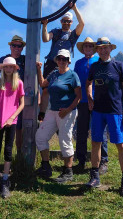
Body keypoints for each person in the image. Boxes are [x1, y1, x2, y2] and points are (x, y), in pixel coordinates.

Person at [85, 37, 123, 198]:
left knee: (121, 144)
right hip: (98, 110)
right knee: (96, 142)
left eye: (106, 48)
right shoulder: (95, 66)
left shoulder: (118, 66)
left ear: (110, 49)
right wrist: (90, 97)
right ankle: (94, 176)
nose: (104, 50)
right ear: (97, 51)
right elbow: (88, 82)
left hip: (115, 111)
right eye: (101, 48)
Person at [35, 49, 81, 183]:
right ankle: (45, 166)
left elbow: (79, 96)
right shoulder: (54, 74)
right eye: (59, 58)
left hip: (67, 112)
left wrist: (68, 109)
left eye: (64, 59)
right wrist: (39, 69)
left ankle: (68, 171)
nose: (61, 61)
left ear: (68, 61)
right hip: (53, 111)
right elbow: (43, 84)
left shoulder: (73, 75)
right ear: (56, 60)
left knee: (64, 139)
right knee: (40, 137)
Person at [40, 3, 84, 117]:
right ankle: (42, 114)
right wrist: (44, 26)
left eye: (68, 21)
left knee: (63, 89)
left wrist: (74, 8)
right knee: (45, 89)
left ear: (71, 22)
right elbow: (45, 39)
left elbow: (82, 24)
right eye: (64, 21)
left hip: (64, 65)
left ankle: (60, 111)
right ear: (61, 22)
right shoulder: (56, 32)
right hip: (51, 62)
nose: (66, 23)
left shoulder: (73, 35)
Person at [73, 37, 109, 174]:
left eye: (90, 46)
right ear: (83, 49)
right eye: (85, 46)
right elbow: (75, 82)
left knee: (100, 131)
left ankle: (103, 162)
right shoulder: (78, 63)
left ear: (94, 48)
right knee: (81, 131)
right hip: (82, 101)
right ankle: (81, 160)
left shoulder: (99, 62)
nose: (87, 48)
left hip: (98, 101)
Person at [0, 57, 25, 198]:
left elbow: (22, 104)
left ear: (14, 68)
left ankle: (5, 180)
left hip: (12, 121)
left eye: (11, 67)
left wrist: (12, 118)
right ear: (3, 69)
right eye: (6, 67)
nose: (8, 69)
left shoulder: (19, 84)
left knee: (8, 149)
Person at [0, 35, 26, 151]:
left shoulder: (26, 60)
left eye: (19, 46)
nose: (16, 48)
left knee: (19, 128)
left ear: (22, 48)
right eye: (14, 45)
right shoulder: (3, 60)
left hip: (19, 99)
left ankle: (18, 157)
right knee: (1, 131)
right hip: (6, 102)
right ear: (10, 46)